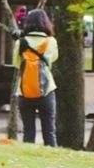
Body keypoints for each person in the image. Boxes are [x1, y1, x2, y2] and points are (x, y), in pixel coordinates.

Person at [11, 9, 59, 146]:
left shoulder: (21, 42)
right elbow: (52, 59)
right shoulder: (51, 41)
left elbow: (16, 64)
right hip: (46, 90)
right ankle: (51, 158)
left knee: (28, 131)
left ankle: (28, 158)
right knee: (49, 131)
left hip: (24, 91)